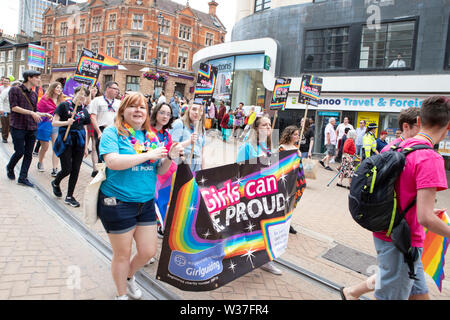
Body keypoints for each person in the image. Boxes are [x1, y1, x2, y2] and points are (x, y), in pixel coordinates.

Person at [341, 96, 449, 300]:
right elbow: (425, 218)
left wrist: (420, 208)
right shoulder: (430, 157)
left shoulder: (396, 147)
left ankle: (351, 293)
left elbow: (398, 192)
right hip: (403, 241)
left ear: (419, 121)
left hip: (388, 232)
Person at [97, 92, 183, 300]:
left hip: (145, 203)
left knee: (147, 252)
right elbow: (113, 162)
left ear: (146, 113)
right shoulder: (112, 133)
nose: (138, 110)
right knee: (122, 254)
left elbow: (160, 171)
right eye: (132, 106)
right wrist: (148, 155)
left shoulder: (151, 137)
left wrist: (170, 157)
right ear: (123, 110)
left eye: (142, 107)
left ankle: (128, 276)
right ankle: (121, 295)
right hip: (116, 202)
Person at [236, 115, 282, 276]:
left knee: (264, 229)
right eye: (264, 125)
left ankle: (265, 260)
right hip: (250, 195)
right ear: (256, 128)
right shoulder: (248, 147)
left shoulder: (270, 148)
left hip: (266, 195)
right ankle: (243, 258)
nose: (268, 128)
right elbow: (238, 172)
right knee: (248, 230)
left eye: (269, 125)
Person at [6, 70, 52, 187]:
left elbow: (34, 111)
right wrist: (32, 113)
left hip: (31, 127)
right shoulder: (15, 90)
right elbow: (14, 107)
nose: (39, 80)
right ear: (29, 78)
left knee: (28, 154)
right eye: (37, 78)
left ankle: (23, 177)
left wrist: (43, 114)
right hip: (18, 126)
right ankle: (10, 167)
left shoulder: (34, 94)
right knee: (19, 151)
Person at [51, 86, 91, 207]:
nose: (82, 96)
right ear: (75, 93)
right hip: (66, 139)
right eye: (80, 93)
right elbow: (54, 122)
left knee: (76, 169)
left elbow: (85, 127)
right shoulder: (64, 106)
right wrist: (66, 122)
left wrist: (85, 146)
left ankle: (69, 196)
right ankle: (56, 182)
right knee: (67, 169)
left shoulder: (84, 111)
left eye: (85, 95)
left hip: (79, 141)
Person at [279, 125, 306, 234]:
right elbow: (279, 165)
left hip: (297, 180)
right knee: (284, 202)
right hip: (286, 180)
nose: (297, 136)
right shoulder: (282, 148)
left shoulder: (296, 148)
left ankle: (288, 222)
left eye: (298, 134)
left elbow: (300, 166)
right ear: (288, 135)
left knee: (293, 203)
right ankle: (281, 222)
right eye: (295, 134)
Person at [36, 82, 65, 176]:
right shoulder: (44, 99)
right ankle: (40, 162)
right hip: (45, 124)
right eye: (57, 87)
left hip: (56, 125)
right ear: (53, 88)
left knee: (55, 146)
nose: (59, 89)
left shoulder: (62, 101)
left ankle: (55, 168)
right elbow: (38, 110)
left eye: (60, 88)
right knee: (45, 146)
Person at [89, 81, 121, 163]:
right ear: (108, 88)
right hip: (102, 129)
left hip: (115, 130)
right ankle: (101, 173)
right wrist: (99, 132)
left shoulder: (119, 103)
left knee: (114, 153)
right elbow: (93, 117)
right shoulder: (97, 100)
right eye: (115, 89)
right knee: (102, 154)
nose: (117, 91)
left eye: (118, 89)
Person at [170, 103, 206, 172]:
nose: (196, 112)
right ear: (189, 110)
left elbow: (202, 153)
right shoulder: (179, 124)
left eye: (200, 110)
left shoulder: (202, 129)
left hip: (196, 169)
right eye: (194, 109)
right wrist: (189, 141)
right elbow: (171, 147)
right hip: (180, 168)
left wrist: (203, 172)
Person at [87, 85, 102, 177]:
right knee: (84, 145)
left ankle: (95, 169)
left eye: (96, 88)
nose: (94, 89)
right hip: (87, 124)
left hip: (96, 124)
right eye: (92, 87)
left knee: (94, 147)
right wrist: (89, 93)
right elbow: (87, 104)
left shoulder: (100, 99)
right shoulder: (86, 98)